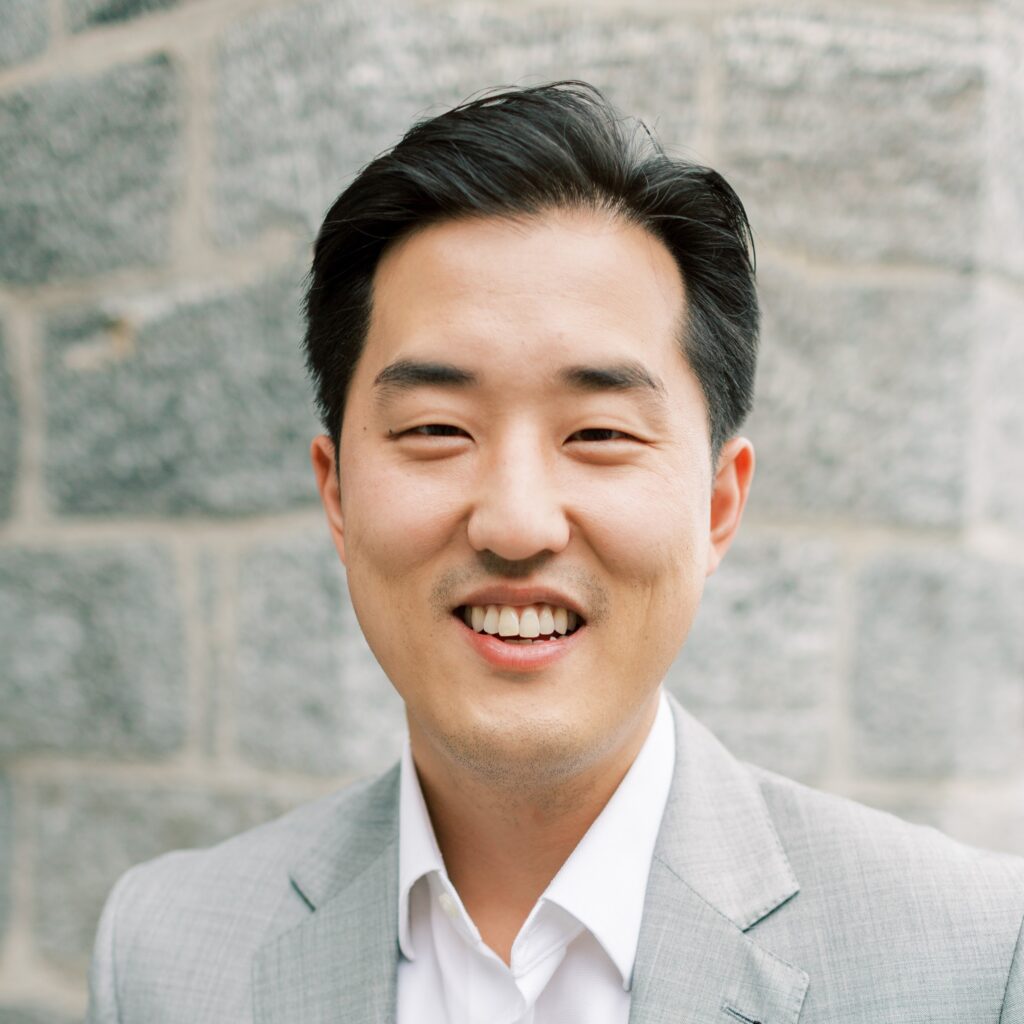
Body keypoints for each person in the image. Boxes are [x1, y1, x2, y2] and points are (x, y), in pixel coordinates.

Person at [86, 81, 1024, 1023]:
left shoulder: (969, 959)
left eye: (600, 433)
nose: (517, 522)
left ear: (717, 504)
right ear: (336, 494)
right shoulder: (164, 951)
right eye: (438, 428)